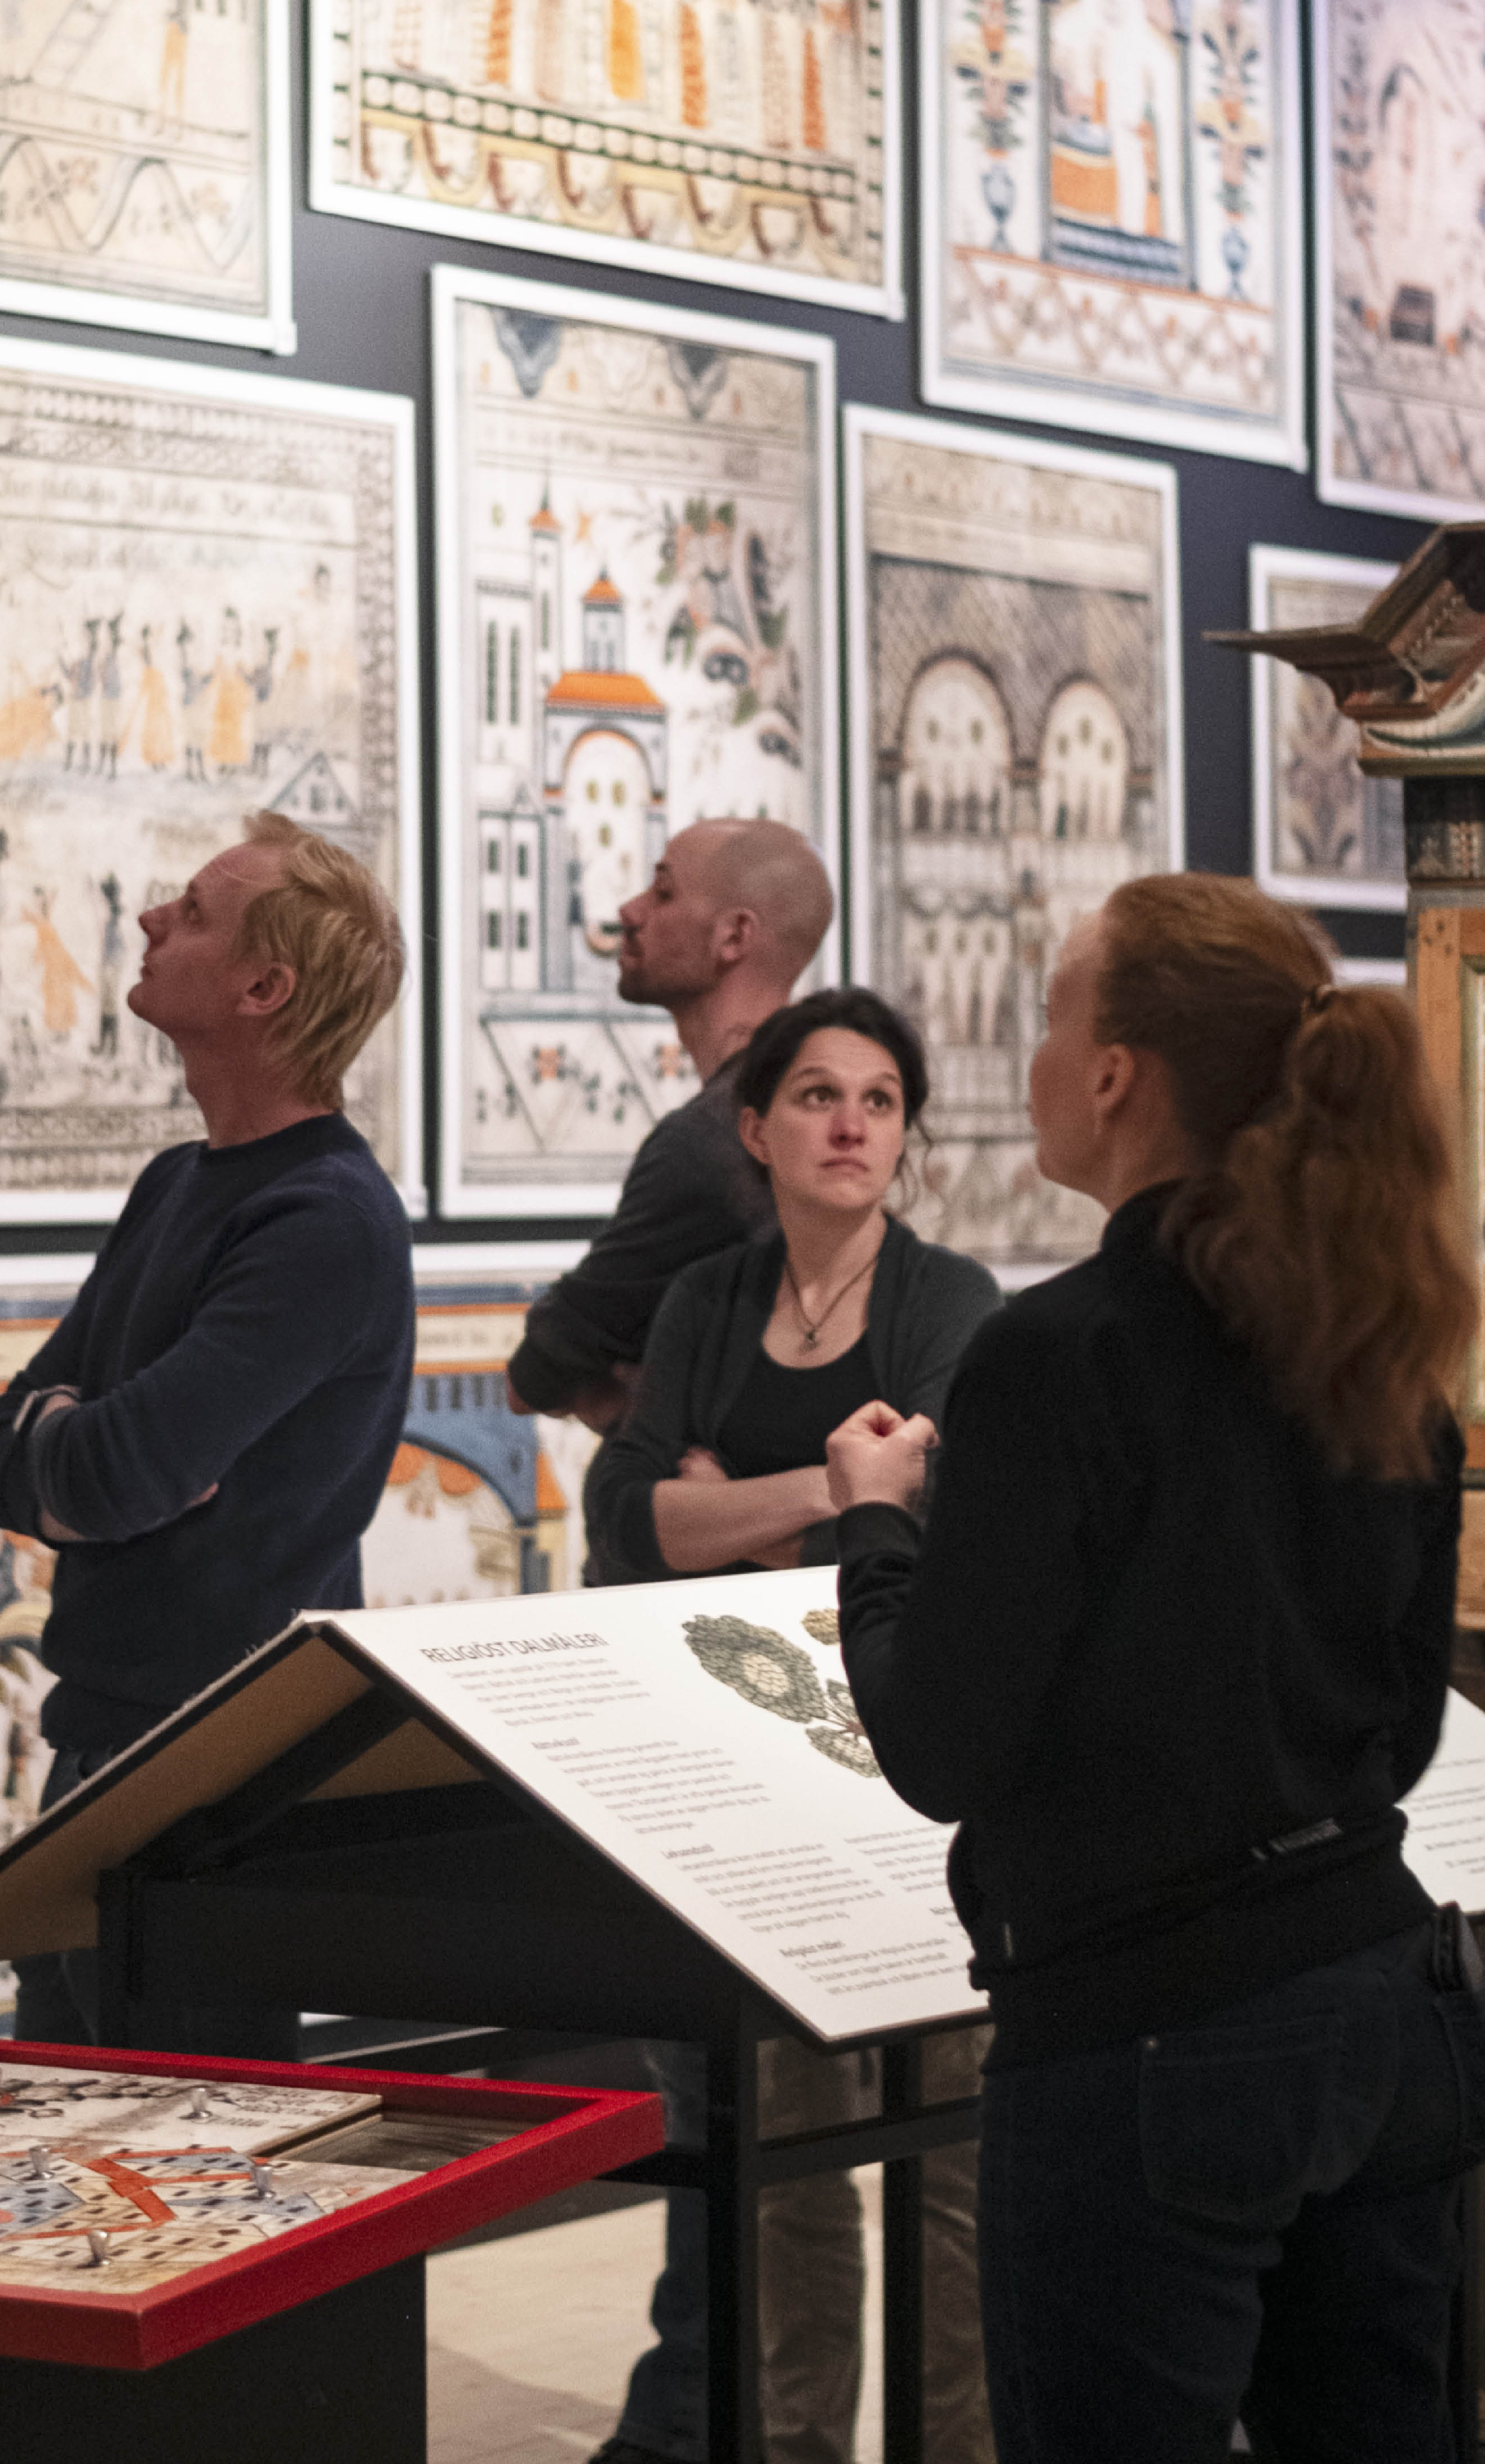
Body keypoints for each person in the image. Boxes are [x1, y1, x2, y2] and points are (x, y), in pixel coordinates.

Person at [823, 876, 1485, 2464]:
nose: (1042, 1046)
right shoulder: (1377, 1346)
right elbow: (1398, 1738)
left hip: (1149, 2043)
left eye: (1060, 1011)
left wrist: (875, 1533)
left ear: (1121, 1073)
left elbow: (943, 1745)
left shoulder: (1059, 1354)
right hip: (1388, 2005)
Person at [586, 987, 1003, 2464]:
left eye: (880, 1100)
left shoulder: (953, 1303)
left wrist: (735, 1510)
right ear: (755, 1128)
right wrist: (834, 1496)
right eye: (818, 1095)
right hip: (734, 1777)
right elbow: (629, 1515)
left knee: (947, 2158)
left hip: (901, 1765)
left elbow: (941, 1514)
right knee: (780, 2160)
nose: (849, 1124)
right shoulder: (707, 1300)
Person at [0, 812, 412, 2055]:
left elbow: (115, 1470)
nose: (156, 919)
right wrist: (82, 1442)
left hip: (219, 1779)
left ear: (266, 987)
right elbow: (7, 1450)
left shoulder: (324, 1217)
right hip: (107, 1746)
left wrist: (83, 1443)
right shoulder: (179, 1179)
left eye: (196, 911)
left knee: (166, 2189)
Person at [509, 820, 832, 1467]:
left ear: (733, 937)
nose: (628, 912)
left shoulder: (711, 1141)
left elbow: (535, 1375)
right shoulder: (804, 1115)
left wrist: (613, 1401)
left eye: (662, 893)